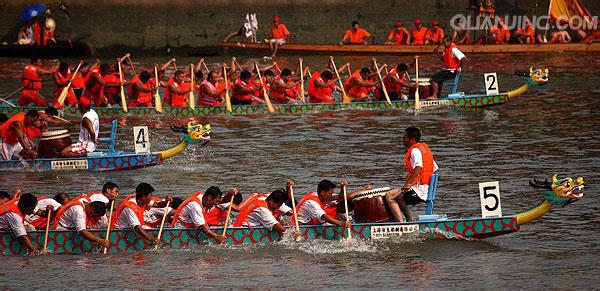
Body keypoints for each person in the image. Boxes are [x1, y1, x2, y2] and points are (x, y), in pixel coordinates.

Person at [386, 126, 438, 222]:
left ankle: (402, 222)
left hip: (420, 191)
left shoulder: (415, 150)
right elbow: (434, 168)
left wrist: (409, 183)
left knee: (390, 196)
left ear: (412, 140)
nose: (403, 141)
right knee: (393, 192)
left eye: (405, 138)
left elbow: (419, 167)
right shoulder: (424, 149)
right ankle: (407, 220)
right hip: (426, 189)